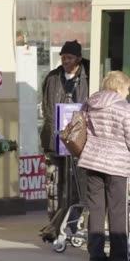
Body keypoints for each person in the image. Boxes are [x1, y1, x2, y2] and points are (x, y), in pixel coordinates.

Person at [78, 71, 130, 261]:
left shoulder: (90, 103)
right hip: (116, 166)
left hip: (92, 163)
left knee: (96, 210)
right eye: (127, 89)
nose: (127, 94)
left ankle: (96, 254)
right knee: (118, 211)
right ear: (118, 88)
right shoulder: (124, 108)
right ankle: (119, 255)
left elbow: (80, 128)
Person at [40, 40, 90, 222]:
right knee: (55, 184)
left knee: (79, 183)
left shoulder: (89, 76)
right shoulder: (52, 77)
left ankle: (75, 222)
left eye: (69, 57)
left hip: (80, 142)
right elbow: (47, 108)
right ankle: (55, 224)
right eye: (63, 57)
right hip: (56, 140)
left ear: (79, 58)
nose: (65, 61)